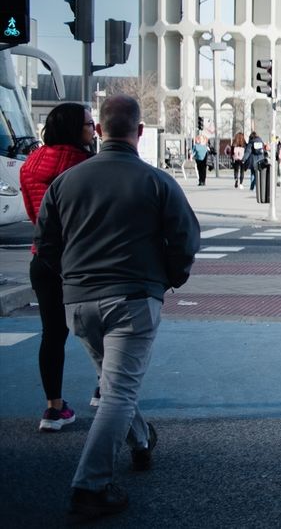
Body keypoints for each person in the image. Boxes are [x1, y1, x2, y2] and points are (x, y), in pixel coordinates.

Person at [34, 95, 200, 522]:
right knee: (119, 392)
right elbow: (185, 241)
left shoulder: (65, 183)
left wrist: (72, 277)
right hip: (132, 297)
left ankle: (141, 441)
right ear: (139, 132)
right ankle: (89, 486)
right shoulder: (156, 181)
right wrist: (167, 278)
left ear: (100, 131)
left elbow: (47, 246)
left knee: (111, 384)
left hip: (78, 301)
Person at [19, 102, 95, 433]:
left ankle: (53, 407)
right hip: (82, 260)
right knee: (99, 326)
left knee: (52, 333)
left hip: (44, 258)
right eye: (89, 126)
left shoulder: (31, 163)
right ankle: (106, 388)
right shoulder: (85, 165)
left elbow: (33, 213)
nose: (94, 131)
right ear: (75, 130)